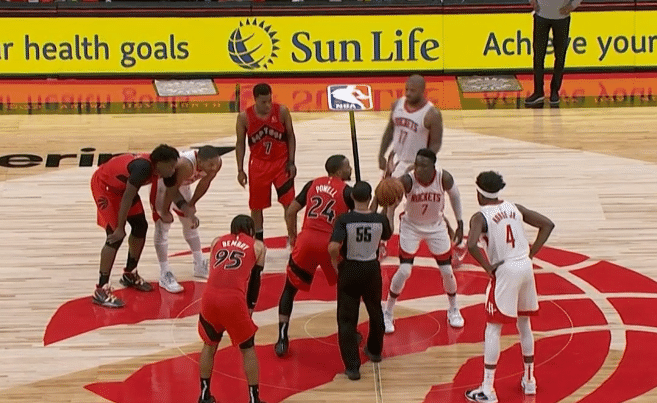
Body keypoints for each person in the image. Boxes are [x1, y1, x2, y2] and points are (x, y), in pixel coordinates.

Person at [464, 171, 554, 403]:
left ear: (478, 193)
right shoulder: (515, 208)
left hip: (506, 270)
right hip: (525, 266)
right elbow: (547, 224)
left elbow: (471, 244)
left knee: (493, 328)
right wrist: (531, 253)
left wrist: (487, 267)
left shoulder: (480, 217)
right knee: (524, 324)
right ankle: (530, 381)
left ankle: (487, 389)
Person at [274, 154, 354, 357]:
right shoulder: (347, 191)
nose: (350, 169)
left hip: (307, 241)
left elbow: (291, 211)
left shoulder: (312, 184)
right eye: (348, 167)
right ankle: (349, 333)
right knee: (346, 291)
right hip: (330, 245)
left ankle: (282, 336)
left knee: (289, 289)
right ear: (339, 171)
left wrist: (292, 236)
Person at [383, 148, 465, 333]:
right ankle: (387, 311)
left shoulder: (443, 178)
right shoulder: (407, 180)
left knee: (447, 271)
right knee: (404, 271)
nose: (418, 168)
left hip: (436, 226)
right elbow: (390, 202)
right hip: (411, 227)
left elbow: (455, 197)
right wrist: (388, 221)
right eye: (417, 164)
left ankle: (453, 308)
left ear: (433, 166)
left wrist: (460, 223)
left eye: (423, 165)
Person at [90, 144, 179, 308]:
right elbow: (127, 198)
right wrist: (120, 228)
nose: (173, 170)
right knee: (114, 236)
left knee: (140, 226)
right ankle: (101, 289)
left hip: (122, 189)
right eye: (171, 166)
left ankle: (129, 273)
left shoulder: (160, 169)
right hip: (105, 187)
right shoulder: (143, 168)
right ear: (160, 163)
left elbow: (172, 192)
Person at [197, 215, 267, 403]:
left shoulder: (216, 242)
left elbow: (217, 272)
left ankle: (204, 395)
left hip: (209, 297)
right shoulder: (258, 246)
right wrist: (250, 307)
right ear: (251, 230)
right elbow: (255, 281)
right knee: (247, 348)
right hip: (233, 301)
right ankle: (254, 399)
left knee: (209, 345)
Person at [328, 181, 392, 381]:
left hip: (350, 268)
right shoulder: (380, 219)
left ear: (352, 198)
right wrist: (389, 207)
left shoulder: (344, 219)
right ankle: (375, 351)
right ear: (370, 197)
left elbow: (333, 247)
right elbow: (388, 234)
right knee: (375, 311)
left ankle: (353, 367)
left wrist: (335, 264)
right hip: (371, 269)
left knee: (347, 319)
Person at [150, 145, 222, 293]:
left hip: (181, 185)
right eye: (210, 165)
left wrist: (191, 204)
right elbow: (171, 188)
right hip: (165, 186)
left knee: (190, 223)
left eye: (215, 164)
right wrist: (165, 211)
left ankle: (199, 264)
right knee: (163, 225)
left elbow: (204, 183)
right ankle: (164, 273)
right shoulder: (186, 165)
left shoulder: (217, 164)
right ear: (199, 162)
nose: (214, 168)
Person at [236, 83, 297, 242]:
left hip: (281, 163)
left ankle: (293, 239)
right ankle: (259, 241)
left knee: (289, 204)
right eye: (264, 102)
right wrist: (240, 170)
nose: (268, 105)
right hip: (258, 165)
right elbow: (240, 144)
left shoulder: (282, 111)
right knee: (256, 207)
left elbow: (291, 136)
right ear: (255, 99)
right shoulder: (244, 117)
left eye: (269, 100)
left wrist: (291, 161)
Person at [377, 74, 443, 179]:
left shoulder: (432, 114)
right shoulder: (397, 104)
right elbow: (390, 130)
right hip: (396, 160)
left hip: (417, 164)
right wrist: (381, 154)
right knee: (387, 189)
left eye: (412, 91)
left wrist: (421, 164)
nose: (408, 93)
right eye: (406, 89)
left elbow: (436, 144)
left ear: (422, 91)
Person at [525, 0, 582, 106]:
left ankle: (555, 91)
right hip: (541, 15)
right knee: (538, 57)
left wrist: (573, 5)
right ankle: (538, 92)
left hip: (562, 18)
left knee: (560, 56)